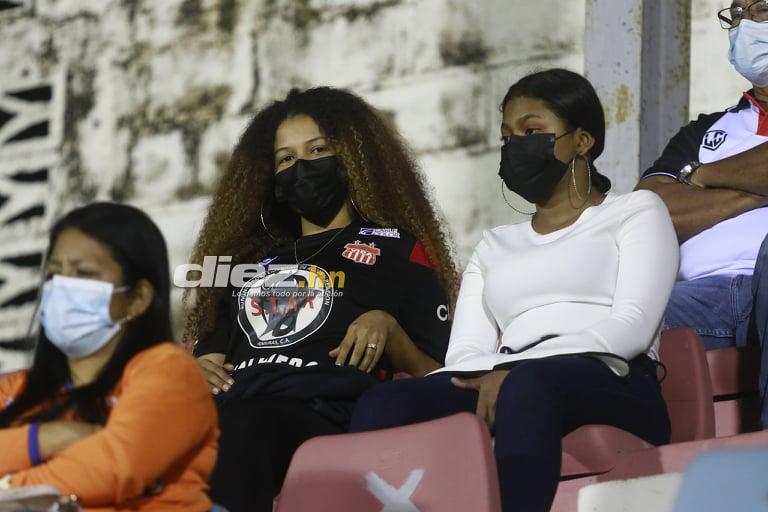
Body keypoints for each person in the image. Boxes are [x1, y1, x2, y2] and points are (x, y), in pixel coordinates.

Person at [350, 69, 679, 512]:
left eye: (532, 131)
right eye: (507, 136)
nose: (515, 146)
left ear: (582, 141)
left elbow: (632, 327)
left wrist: (518, 371)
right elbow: (464, 353)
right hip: (508, 375)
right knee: (386, 402)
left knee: (527, 386)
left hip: (615, 377)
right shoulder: (495, 244)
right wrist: (501, 374)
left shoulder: (636, 211)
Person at [185, 87, 456, 512]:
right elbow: (209, 363)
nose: (302, 166)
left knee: (246, 426)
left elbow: (442, 375)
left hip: (323, 411)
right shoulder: (241, 266)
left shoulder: (398, 248)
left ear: (352, 159)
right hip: (236, 408)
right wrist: (192, 372)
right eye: (285, 159)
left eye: (318, 150)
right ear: (270, 181)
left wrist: (389, 329)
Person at [0, 203, 218, 511]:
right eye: (54, 273)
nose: (63, 286)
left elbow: (114, 468)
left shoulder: (169, 372)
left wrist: (9, 487)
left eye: (84, 273)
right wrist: (42, 439)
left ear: (137, 298)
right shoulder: (16, 389)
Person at [636, 0, 768, 427]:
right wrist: (754, 192)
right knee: (605, 317)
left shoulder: (699, 161)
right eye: (736, 15)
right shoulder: (703, 132)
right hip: (700, 298)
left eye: (761, 10)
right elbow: (649, 212)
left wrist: (701, 176)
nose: (743, 25)